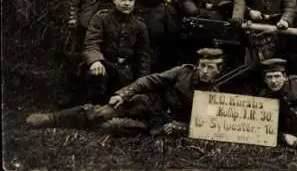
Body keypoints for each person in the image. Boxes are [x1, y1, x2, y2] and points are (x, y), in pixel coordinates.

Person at [25, 48, 227, 136]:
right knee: (99, 112)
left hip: (158, 124)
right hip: (144, 105)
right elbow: (149, 80)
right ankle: (51, 119)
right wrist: (124, 93)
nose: (205, 71)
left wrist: (178, 126)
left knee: (112, 126)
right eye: (203, 66)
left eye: (211, 68)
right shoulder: (182, 72)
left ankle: (80, 125)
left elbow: (203, 126)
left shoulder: (214, 95)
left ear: (219, 70)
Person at [81, 0, 151, 104]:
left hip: (127, 73)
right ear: (114, 0)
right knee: (97, 76)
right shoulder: (101, 18)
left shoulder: (140, 25)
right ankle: (94, 107)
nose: (127, 3)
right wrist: (95, 60)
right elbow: (91, 43)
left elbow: (143, 55)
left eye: (131, 0)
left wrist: (143, 81)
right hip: (105, 67)